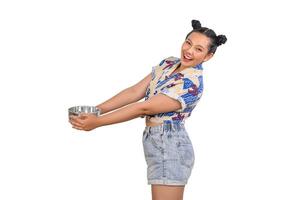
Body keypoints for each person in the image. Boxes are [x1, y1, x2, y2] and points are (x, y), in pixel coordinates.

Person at [69, 19, 227, 200]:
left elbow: (143, 107)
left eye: (198, 49)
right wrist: (96, 110)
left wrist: (97, 123)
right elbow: (136, 91)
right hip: (157, 141)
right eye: (188, 43)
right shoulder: (169, 63)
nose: (189, 51)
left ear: (208, 56)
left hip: (171, 145)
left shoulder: (191, 82)